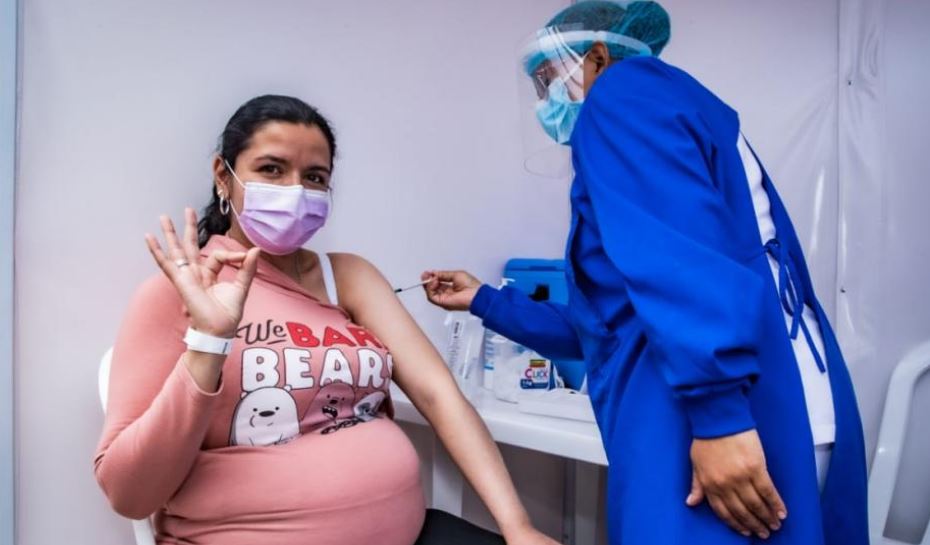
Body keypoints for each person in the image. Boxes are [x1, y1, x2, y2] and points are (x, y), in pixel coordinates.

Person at [423, 2, 868, 544]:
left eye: (549, 78)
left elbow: (683, 266)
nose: (546, 100)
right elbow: (606, 331)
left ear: (599, 56)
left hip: (727, 418)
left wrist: (719, 415)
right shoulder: (665, 110)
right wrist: (485, 301)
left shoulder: (624, 91)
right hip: (758, 404)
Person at [94, 95, 559, 545]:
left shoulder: (348, 277)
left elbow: (438, 396)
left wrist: (518, 526)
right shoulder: (175, 295)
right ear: (224, 175)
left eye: (314, 176)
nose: (295, 191)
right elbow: (130, 494)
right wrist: (209, 343)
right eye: (271, 169)